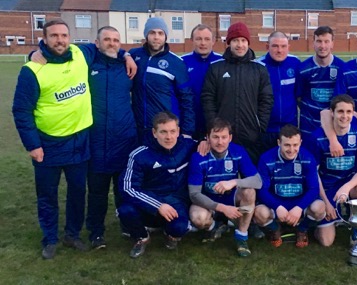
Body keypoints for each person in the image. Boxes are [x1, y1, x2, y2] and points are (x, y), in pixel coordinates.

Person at [13, 18, 95, 259]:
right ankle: (50, 238)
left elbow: (106, 44)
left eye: (64, 35)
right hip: (47, 145)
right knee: (48, 195)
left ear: (69, 38)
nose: (60, 40)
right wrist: (33, 145)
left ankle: (72, 234)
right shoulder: (32, 70)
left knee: (78, 192)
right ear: (45, 39)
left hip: (79, 140)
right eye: (54, 36)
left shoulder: (81, 53)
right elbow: (21, 110)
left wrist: (127, 55)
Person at [84, 26, 138, 249]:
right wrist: (34, 53)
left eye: (116, 40)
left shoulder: (127, 68)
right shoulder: (88, 65)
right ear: (97, 43)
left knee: (123, 189)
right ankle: (96, 232)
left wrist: (126, 55)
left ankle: (127, 225)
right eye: (107, 39)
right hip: (96, 141)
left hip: (124, 140)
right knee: (97, 192)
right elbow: (63, 53)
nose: (112, 43)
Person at [117, 112, 198, 258]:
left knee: (179, 228)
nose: (169, 137)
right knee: (125, 210)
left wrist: (205, 141)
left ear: (178, 131)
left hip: (175, 202)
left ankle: (170, 233)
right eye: (163, 132)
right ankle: (142, 237)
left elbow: (215, 143)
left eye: (173, 131)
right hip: (149, 205)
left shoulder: (188, 146)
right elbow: (127, 188)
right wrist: (158, 205)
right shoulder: (140, 155)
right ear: (154, 133)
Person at [201, 22, 273, 164]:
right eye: (235, 40)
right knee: (224, 177)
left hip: (250, 135)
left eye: (243, 40)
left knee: (249, 178)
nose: (239, 45)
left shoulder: (259, 69)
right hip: (222, 137)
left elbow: (266, 99)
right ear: (229, 43)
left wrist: (260, 126)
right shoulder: (216, 68)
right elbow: (207, 99)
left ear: (248, 43)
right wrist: (214, 126)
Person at [187, 118, 261, 257]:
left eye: (224, 137)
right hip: (208, 202)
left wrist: (234, 182)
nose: (220, 142)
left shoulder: (238, 151)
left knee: (249, 191)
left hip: (231, 198)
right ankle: (215, 226)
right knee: (198, 218)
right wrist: (222, 208)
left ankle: (241, 236)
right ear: (207, 137)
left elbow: (257, 181)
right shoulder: (198, 157)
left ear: (230, 138)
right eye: (215, 137)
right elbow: (194, 194)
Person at [311, 95, 357, 249]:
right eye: (340, 112)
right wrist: (326, 203)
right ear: (332, 113)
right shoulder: (317, 137)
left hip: (349, 185)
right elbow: (314, 174)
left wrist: (346, 187)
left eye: (349, 112)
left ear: (353, 113)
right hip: (327, 187)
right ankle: (321, 222)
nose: (345, 116)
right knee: (326, 241)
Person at [254, 125, 326, 248]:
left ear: (300, 143)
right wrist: (277, 207)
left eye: (295, 145)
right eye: (287, 145)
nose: (291, 149)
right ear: (279, 143)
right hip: (277, 202)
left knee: (319, 208)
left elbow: (314, 189)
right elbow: (262, 190)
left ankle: (302, 229)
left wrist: (299, 207)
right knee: (259, 213)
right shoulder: (266, 158)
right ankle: (276, 229)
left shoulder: (308, 158)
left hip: (299, 201)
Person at [130, 17, 195, 141]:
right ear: (146, 35)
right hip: (138, 128)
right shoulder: (135, 55)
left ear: (165, 36)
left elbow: (186, 99)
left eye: (160, 33)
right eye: (152, 33)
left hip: (165, 131)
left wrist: (187, 131)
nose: (156, 37)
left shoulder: (176, 63)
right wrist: (126, 55)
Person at [296, 26, 345, 144]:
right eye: (319, 41)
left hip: (335, 127)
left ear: (332, 43)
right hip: (309, 127)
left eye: (326, 41)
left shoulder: (342, 67)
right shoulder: (303, 69)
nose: (322, 46)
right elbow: (298, 97)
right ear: (313, 43)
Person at [256, 32, 301, 150]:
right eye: (275, 46)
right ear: (267, 47)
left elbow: (299, 94)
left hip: (289, 129)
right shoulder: (257, 66)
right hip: (265, 130)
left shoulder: (295, 63)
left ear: (289, 47)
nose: (279, 50)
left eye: (283, 46)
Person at [181, 24, 223, 140]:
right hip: (188, 123)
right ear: (192, 41)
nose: (203, 43)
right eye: (198, 39)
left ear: (213, 41)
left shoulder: (222, 62)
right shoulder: (182, 62)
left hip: (216, 125)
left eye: (207, 39)